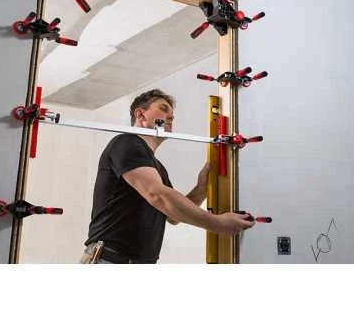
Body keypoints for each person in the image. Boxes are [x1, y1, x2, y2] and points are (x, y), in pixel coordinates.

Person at [80, 89, 255, 264]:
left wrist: (201, 188)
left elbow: (173, 216)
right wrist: (218, 223)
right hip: (109, 260)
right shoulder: (126, 143)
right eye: (163, 109)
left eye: (172, 115)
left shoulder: (157, 168)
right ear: (140, 114)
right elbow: (157, 195)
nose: (170, 117)